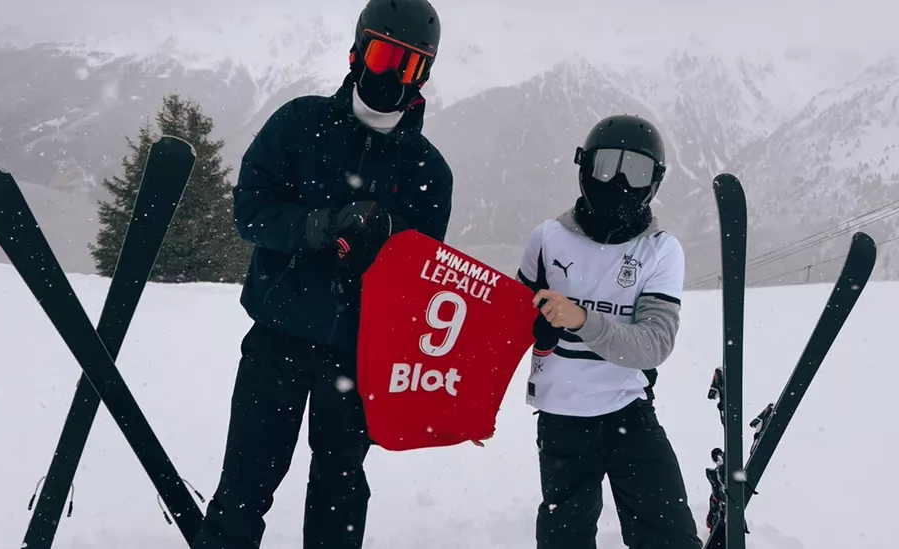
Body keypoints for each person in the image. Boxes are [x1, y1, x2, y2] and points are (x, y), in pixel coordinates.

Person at [191, 1, 452, 548]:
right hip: (277, 338)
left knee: (339, 496)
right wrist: (318, 226)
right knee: (244, 487)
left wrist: (384, 244)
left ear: (424, 74)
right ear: (357, 52)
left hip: (360, 357)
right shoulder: (299, 123)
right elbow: (251, 211)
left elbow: (423, 278)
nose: (390, 76)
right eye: (383, 57)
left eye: (409, 67)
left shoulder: (428, 170)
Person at [516, 114, 702, 549]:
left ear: (654, 181)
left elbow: (653, 343)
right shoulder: (546, 239)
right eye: (607, 166)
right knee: (566, 538)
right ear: (585, 167)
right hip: (562, 416)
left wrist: (582, 320)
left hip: (628, 412)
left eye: (634, 171)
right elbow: (508, 326)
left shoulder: (659, 250)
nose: (618, 181)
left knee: (669, 535)